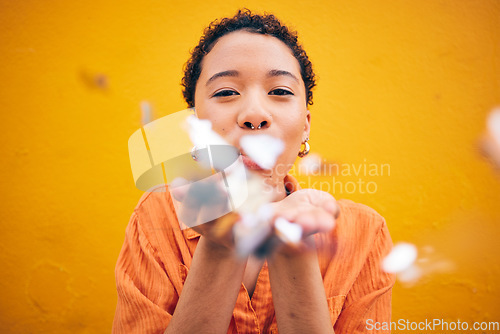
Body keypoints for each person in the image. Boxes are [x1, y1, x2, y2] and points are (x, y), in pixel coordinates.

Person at [113, 9, 395, 334]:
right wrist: (220, 245)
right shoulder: (155, 218)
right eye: (226, 93)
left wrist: (292, 248)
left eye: (280, 91)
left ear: (305, 126)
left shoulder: (365, 233)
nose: (254, 115)